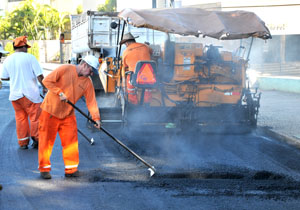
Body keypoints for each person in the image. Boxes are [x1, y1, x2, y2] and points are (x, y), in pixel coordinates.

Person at [38, 55, 101, 179]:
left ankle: (71, 169)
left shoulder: (87, 82)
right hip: (50, 111)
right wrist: (60, 92)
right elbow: (46, 81)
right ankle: (44, 169)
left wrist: (96, 118)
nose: (92, 73)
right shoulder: (65, 69)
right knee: (46, 141)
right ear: (84, 65)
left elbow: (91, 101)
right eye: (91, 70)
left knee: (71, 143)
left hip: (68, 114)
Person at [0, 36, 46, 150]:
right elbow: (39, 75)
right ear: (24, 46)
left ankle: (23, 142)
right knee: (35, 118)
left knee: (21, 119)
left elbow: (4, 77)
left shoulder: (8, 60)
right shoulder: (30, 58)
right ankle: (36, 140)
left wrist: (15, 75)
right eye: (27, 47)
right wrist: (45, 87)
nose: (27, 49)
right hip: (30, 94)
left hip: (15, 96)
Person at [120, 32, 153, 104]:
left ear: (127, 43)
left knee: (129, 80)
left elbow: (125, 66)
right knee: (148, 88)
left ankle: (134, 103)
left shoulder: (126, 51)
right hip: (148, 76)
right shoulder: (145, 46)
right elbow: (152, 52)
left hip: (135, 77)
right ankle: (147, 103)